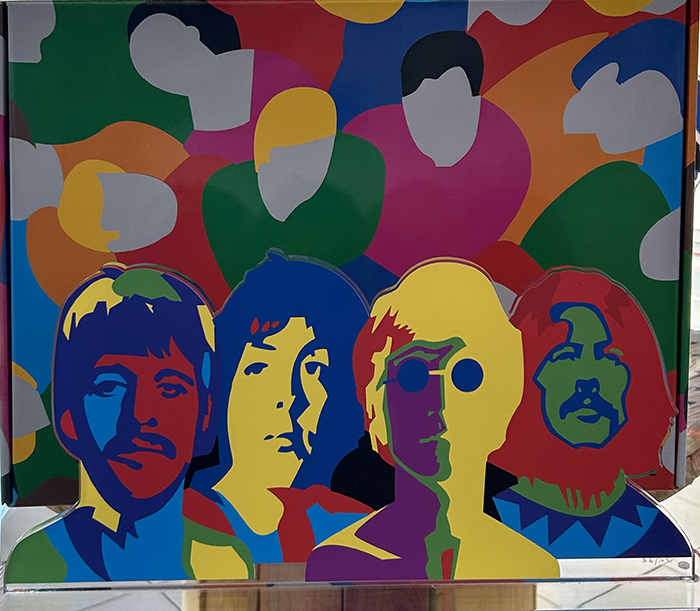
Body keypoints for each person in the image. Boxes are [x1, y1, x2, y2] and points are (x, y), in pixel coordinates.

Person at [306, 260, 560, 580]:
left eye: (466, 375)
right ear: (374, 404)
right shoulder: (337, 563)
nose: (438, 403)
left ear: (507, 398)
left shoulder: (532, 567)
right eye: (412, 375)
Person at [6, 264, 252, 582]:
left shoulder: (228, 562)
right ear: (67, 415)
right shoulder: (35, 566)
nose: (140, 414)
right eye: (110, 386)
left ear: (206, 416)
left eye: (170, 388)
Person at [490, 268, 692, 559]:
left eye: (610, 358)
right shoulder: (482, 525)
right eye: (566, 356)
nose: (589, 381)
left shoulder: (662, 539)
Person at [191, 250, 372, 563]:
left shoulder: (353, 529)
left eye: (313, 368)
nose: (290, 399)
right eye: (260, 367)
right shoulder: (178, 526)